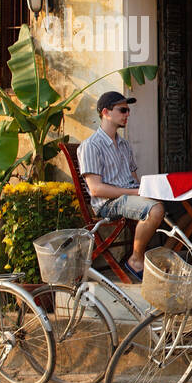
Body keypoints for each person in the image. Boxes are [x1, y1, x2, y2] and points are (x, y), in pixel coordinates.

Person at [78, 90, 165, 281]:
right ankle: (135, 259)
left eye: (128, 110)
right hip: (108, 204)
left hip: (128, 198)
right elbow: (96, 189)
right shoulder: (91, 146)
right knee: (155, 209)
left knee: (174, 200)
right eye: (123, 110)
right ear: (106, 112)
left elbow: (134, 179)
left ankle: (167, 260)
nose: (127, 114)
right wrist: (135, 192)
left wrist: (153, 188)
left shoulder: (124, 144)